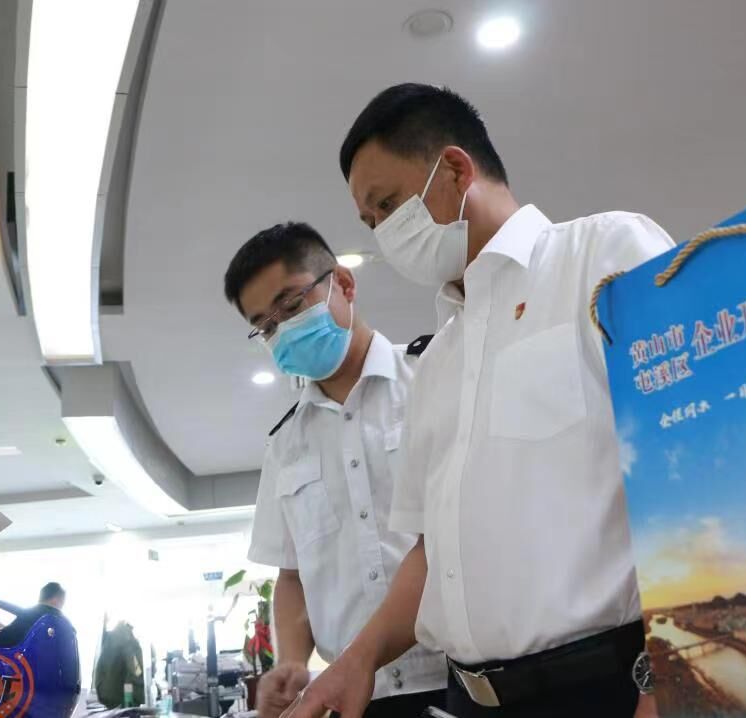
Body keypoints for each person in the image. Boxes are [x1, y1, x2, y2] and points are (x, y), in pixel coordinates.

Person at [284, 84, 676, 718]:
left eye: (387, 205)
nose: (384, 232)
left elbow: (693, 460)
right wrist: (357, 660)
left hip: (606, 688)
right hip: (469, 698)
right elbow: (430, 552)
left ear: (455, 169)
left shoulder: (603, 256)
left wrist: (671, 682)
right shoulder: (437, 361)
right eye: (370, 222)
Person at [223, 222, 447, 718]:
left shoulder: (432, 376)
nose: (282, 330)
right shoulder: (286, 443)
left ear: (342, 284)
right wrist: (291, 661)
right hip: (359, 699)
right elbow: (292, 575)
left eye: (290, 305)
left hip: (458, 678)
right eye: (266, 326)